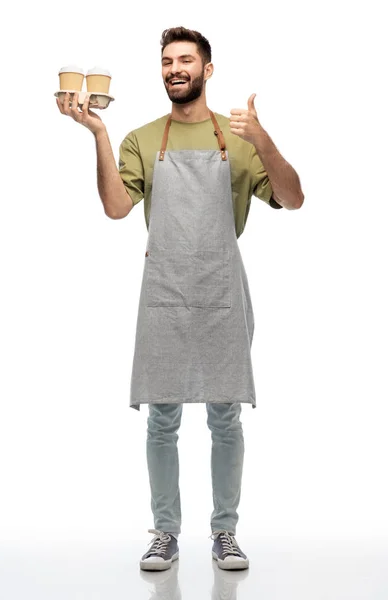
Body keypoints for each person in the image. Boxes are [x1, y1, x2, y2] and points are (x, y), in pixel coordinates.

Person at [56, 26, 304, 572]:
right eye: (167, 60)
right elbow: (118, 209)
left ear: (206, 70)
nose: (175, 68)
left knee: (225, 417)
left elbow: (293, 198)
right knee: (161, 419)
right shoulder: (142, 139)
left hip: (220, 290)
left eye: (186, 60)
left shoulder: (239, 139)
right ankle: (165, 533)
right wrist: (98, 132)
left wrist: (263, 140)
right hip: (165, 290)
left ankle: (225, 532)